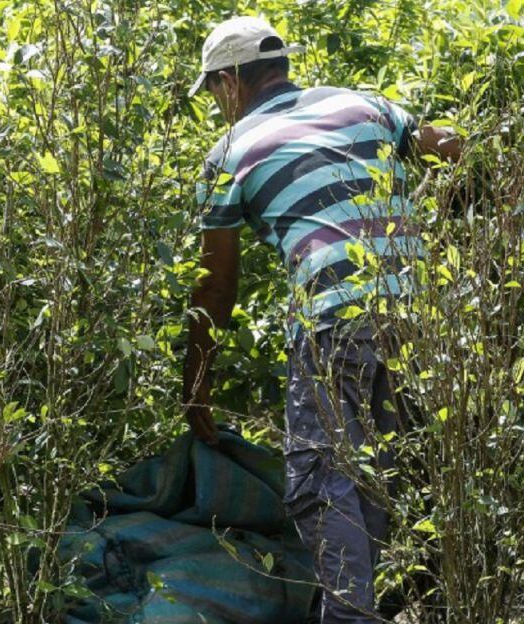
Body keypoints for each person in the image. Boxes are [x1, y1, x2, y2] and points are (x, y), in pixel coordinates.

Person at [181, 15, 461, 623]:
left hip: (335, 322)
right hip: (422, 318)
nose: (217, 108)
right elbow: (455, 153)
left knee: (325, 483)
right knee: (404, 475)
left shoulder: (228, 152)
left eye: (214, 94)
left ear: (230, 82)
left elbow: (216, 286)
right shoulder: (364, 105)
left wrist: (196, 386)